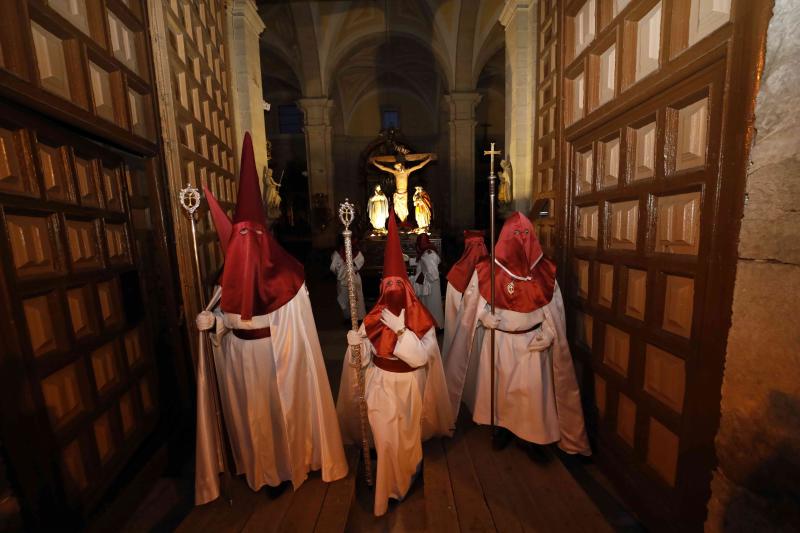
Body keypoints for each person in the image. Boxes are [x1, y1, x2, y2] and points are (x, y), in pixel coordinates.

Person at [194, 133, 348, 505]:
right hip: (237, 358)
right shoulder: (225, 276)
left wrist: (281, 352)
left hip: (273, 359)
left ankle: (282, 467)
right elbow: (223, 310)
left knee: (274, 417)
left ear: (262, 236)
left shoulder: (287, 278)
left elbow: (298, 332)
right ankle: (254, 467)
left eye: (251, 234)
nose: (244, 243)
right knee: (247, 417)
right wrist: (212, 324)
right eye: (239, 235)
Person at [443, 212, 590, 454]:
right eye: (516, 234)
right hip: (499, 340)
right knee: (500, 392)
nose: (521, 239)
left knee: (530, 396)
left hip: (532, 343)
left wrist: (550, 333)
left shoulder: (545, 271)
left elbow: (554, 309)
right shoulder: (487, 269)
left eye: (525, 233)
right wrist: (482, 317)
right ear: (504, 237)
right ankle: (502, 429)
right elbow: (471, 304)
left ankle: (532, 439)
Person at [336, 213, 452, 516]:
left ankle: (406, 477)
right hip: (380, 386)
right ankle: (385, 493)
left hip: (410, 387)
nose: (392, 289)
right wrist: (355, 343)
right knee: (386, 441)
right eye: (387, 284)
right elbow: (359, 361)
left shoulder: (420, 320)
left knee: (406, 441)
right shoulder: (373, 318)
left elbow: (421, 358)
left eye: (397, 283)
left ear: (407, 287)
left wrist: (402, 332)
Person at [442, 230, 487, 362]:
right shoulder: (457, 273)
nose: (478, 250)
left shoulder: (490, 270)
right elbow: (452, 313)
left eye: (481, 245)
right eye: (475, 246)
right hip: (464, 329)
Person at [330, 234, 366, 321]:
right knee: (345, 299)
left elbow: (360, 262)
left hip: (354, 278)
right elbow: (334, 268)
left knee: (357, 298)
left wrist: (351, 266)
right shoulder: (337, 254)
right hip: (343, 280)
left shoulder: (356, 252)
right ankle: (347, 317)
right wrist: (343, 269)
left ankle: (359, 317)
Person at [413, 233, 444, 327]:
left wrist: (423, 276)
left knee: (432, 306)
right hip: (430, 284)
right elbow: (423, 264)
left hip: (430, 285)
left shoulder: (428, 253)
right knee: (430, 305)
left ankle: (434, 326)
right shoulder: (427, 252)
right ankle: (432, 325)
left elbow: (433, 274)